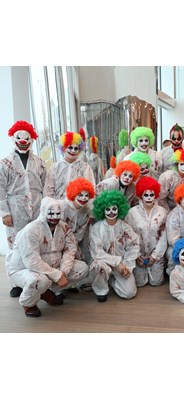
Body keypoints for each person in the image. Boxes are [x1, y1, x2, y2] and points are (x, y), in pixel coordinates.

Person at [6, 197, 89, 317]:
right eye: (51, 213)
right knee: (39, 280)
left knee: (82, 268)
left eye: (58, 213)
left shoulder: (64, 227)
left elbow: (70, 250)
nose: (55, 217)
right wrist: (57, 275)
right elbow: (32, 261)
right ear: (44, 211)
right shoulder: (31, 230)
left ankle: (47, 291)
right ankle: (29, 304)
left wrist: (63, 272)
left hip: (52, 266)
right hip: (25, 269)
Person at [0, 120, 47, 297]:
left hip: (37, 207)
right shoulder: (5, 163)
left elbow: (46, 185)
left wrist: (45, 208)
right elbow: (0, 188)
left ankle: (39, 279)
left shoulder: (39, 162)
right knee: (15, 244)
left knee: (36, 243)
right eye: (19, 137)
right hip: (15, 208)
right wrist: (4, 213)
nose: (23, 141)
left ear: (32, 139)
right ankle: (16, 283)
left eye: (27, 138)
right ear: (13, 138)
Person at [89, 190, 139, 302]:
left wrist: (127, 265)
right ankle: (101, 290)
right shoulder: (96, 228)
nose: (111, 212)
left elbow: (134, 246)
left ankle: (112, 281)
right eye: (108, 209)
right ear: (102, 210)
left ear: (119, 209)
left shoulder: (125, 226)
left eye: (114, 209)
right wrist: (116, 262)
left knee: (129, 293)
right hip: (104, 262)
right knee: (98, 266)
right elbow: (97, 252)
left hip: (122, 263)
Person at [125, 177, 167, 287]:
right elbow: (128, 236)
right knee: (139, 283)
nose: (148, 198)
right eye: (146, 195)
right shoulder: (132, 212)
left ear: (155, 195)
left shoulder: (162, 212)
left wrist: (155, 256)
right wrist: (136, 255)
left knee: (157, 282)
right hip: (138, 255)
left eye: (151, 195)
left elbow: (164, 237)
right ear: (141, 195)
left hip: (155, 254)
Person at [44, 131, 95, 200]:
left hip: (79, 205)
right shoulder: (54, 168)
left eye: (76, 148)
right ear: (64, 148)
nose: (73, 151)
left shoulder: (85, 168)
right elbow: (48, 192)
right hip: (57, 205)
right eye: (70, 147)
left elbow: (90, 189)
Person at [59, 177, 95, 266]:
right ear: (74, 194)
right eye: (80, 195)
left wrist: (71, 246)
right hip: (58, 242)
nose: (84, 198)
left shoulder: (86, 211)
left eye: (86, 196)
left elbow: (79, 235)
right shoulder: (63, 207)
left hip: (73, 243)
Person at [158, 148, 184, 212]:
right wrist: (169, 212)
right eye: (181, 164)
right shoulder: (167, 177)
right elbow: (161, 198)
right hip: (168, 209)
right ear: (176, 164)